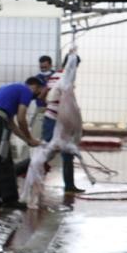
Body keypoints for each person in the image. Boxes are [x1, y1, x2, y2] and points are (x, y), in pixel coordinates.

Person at [0, 76, 46, 209]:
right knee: (4, 160)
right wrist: (31, 138)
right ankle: (10, 200)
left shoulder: (10, 90)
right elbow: (21, 119)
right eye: (39, 91)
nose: (36, 96)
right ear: (35, 86)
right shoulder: (26, 91)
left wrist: (27, 140)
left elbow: (11, 124)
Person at [42, 56, 84, 194]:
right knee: (47, 151)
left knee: (64, 152)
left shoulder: (58, 76)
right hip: (54, 119)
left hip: (58, 119)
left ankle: (69, 185)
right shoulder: (62, 77)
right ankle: (26, 173)